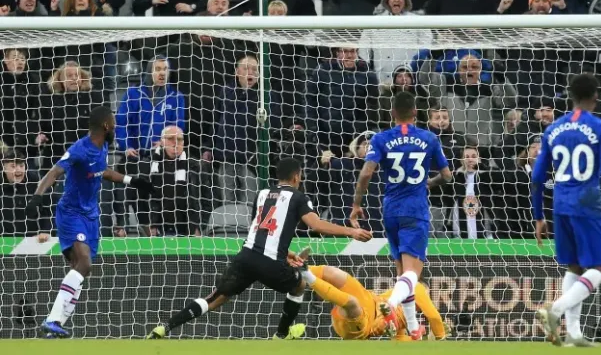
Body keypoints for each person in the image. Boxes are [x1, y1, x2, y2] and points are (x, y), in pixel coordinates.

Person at [147, 158, 372, 340]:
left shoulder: (262, 194)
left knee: (215, 298)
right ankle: (281, 335)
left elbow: (261, 230)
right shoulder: (298, 197)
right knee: (300, 285)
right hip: (270, 262)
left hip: (246, 256)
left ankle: (165, 326)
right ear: (297, 177)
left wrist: (287, 254)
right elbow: (316, 225)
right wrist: (351, 232)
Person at [23, 106, 155, 338]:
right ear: (105, 126)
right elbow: (53, 173)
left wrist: (132, 181)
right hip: (71, 213)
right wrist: (37, 197)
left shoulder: (102, 147)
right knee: (84, 263)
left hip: (91, 216)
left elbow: (102, 172)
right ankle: (52, 320)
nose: (115, 127)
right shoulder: (79, 149)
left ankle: (54, 329)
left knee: (80, 269)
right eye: (113, 123)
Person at [531, 73, 601, 347]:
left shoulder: (553, 130)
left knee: (574, 265)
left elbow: (537, 177)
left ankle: (573, 333)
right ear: (596, 97)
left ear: (571, 96)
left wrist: (538, 216)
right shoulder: (600, 128)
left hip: (560, 205)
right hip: (588, 203)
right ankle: (556, 309)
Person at [350, 91, 452, 339]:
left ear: (392, 113)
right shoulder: (429, 137)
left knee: (403, 275)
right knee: (412, 274)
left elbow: (366, 173)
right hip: (415, 210)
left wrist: (356, 204)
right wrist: (429, 183)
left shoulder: (381, 138)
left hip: (391, 210)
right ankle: (391, 304)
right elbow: (448, 176)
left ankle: (413, 328)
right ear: (415, 112)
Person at [295, 248, 448, 340]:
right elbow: (434, 316)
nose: (426, 297)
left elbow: (400, 339)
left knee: (351, 303)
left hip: (366, 322)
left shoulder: (406, 316)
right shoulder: (414, 287)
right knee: (332, 273)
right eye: (427, 293)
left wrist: (424, 340)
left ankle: (306, 274)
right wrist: (440, 338)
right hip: (368, 299)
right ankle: (295, 268)